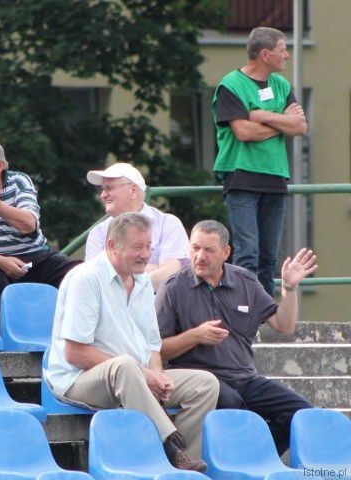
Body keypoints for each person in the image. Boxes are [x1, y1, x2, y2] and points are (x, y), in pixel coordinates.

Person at [45, 212, 218, 471]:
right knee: (125, 366)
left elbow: (152, 345)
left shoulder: (143, 281)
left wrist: (157, 377)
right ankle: (172, 449)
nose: (146, 255)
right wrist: (142, 374)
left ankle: (182, 470)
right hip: (78, 379)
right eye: (138, 247)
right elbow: (75, 353)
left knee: (205, 384)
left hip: (132, 377)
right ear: (111, 245)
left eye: (149, 246)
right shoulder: (85, 278)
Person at [156, 220, 317, 454]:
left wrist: (289, 289)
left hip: (246, 378)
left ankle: (251, 456)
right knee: (234, 406)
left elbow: (284, 325)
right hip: (203, 380)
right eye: (195, 248)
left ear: (226, 252)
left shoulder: (246, 281)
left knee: (302, 413)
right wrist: (195, 336)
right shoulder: (172, 288)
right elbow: (157, 349)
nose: (200, 256)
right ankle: (238, 459)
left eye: (208, 250)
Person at [213, 26, 307, 297]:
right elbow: (243, 132)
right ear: (265, 54)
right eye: (283, 50)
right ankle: (243, 309)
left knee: (268, 255)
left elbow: (300, 127)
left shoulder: (282, 85)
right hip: (241, 177)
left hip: (275, 177)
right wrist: (283, 121)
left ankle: (264, 311)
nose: (287, 56)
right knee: (248, 253)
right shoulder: (230, 85)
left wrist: (262, 115)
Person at [0, 138, 80, 334]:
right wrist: (2, 261)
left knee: (79, 274)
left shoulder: (19, 181)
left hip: (35, 257)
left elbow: (29, 224)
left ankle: (77, 336)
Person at [85, 162, 189, 290]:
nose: (103, 195)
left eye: (109, 188)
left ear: (133, 190)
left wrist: (120, 275)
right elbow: (96, 281)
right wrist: (154, 268)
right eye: (103, 189)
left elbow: (170, 276)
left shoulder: (169, 224)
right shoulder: (98, 233)